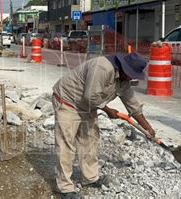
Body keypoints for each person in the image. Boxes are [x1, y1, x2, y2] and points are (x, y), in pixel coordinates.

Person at [52, 52, 156, 198]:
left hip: (89, 106)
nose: (132, 78)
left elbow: (133, 106)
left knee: (89, 141)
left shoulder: (124, 80)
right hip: (68, 102)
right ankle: (64, 187)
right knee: (66, 143)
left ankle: (90, 178)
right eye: (131, 74)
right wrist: (108, 110)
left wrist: (148, 128)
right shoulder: (102, 67)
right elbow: (91, 96)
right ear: (124, 67)